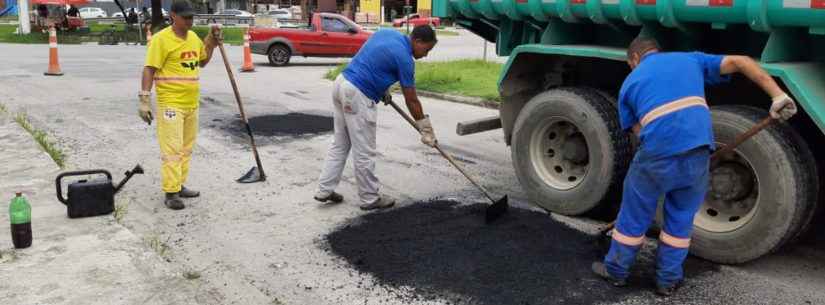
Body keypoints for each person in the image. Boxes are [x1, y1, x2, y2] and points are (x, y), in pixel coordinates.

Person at [590, 37, 798, 296]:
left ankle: (617, 271)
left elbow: (640, 132)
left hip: (657, 155)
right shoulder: (689, 59)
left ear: (633, 60)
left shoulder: (630, 83)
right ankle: (667, 281)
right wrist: (778, 95)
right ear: (657, 51)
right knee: (680, 219)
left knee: (634, 215)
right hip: (699, 152)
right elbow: (741, 61)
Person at [314, 25, 438, 210]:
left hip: (342, 83)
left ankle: (324, 190)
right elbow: (411, 99)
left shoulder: (386, 33)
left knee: (340, 144)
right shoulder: (405, 59)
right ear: (417, 41)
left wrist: (382, 89)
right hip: (357, 94)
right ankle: (369, 198)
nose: (426, 54)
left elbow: (374, 59)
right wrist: (425, 127)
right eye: (426, 49)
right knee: (364, 150)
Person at [139, 1, 222, 210]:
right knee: (172, 149)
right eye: (185, 17)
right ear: (173, 16)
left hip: (191, 104)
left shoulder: (193, 38)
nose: (189, 20)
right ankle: (171, 192)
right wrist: (144, 99)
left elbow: (202, 61)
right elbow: (149, 68)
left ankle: (179, 184)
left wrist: (211, 42)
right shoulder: (161, 40)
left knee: (186, 149)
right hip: (171, 103)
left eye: (191, 17)